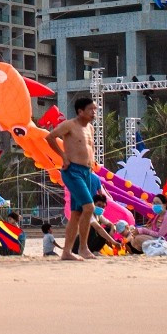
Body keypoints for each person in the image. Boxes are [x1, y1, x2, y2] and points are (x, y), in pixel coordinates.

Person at [45, 95, 101, 261]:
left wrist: (92, 162)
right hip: (72, 171)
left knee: (76, 213)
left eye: (95, 110)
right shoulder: (70, 124)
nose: (94, 113)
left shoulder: (90, 128)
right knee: (89, 207)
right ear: (80, 111)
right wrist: (63, 156)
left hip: (87, 171)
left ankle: (67, 252)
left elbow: (89, 147)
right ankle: (83, 248)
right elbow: (50, 137)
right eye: (91, 109)